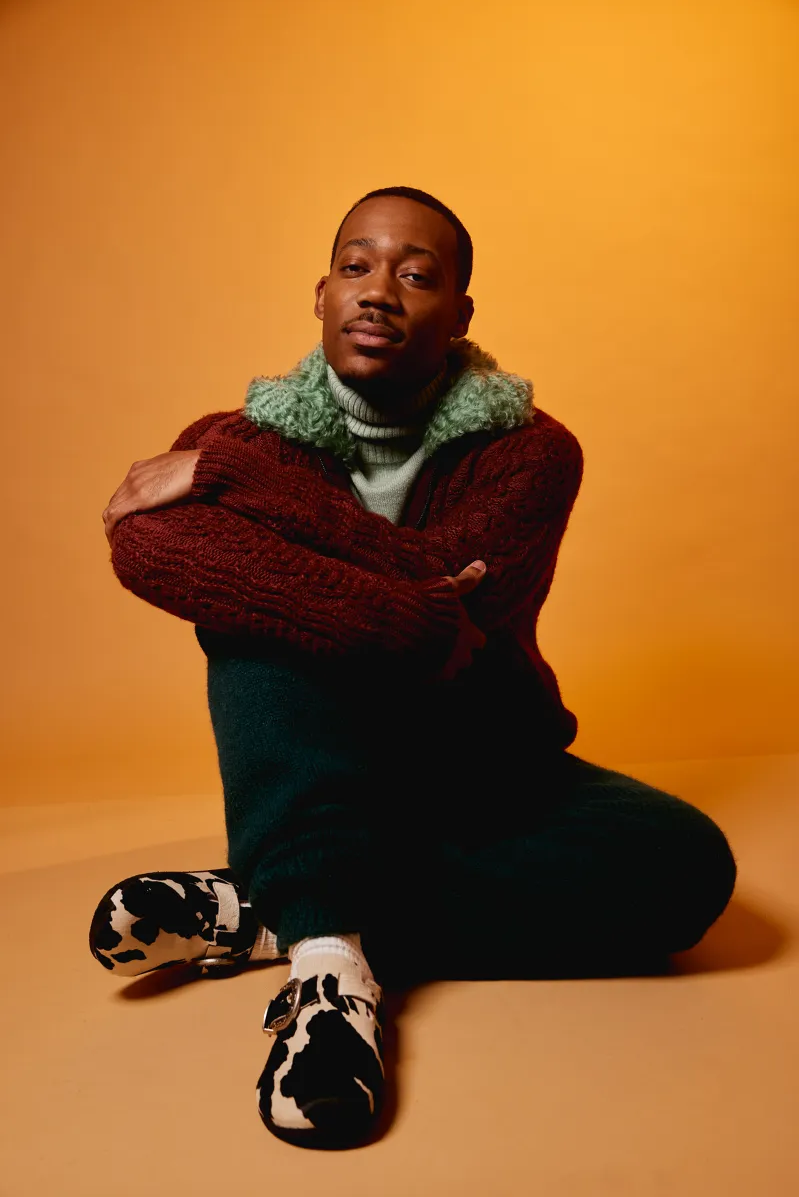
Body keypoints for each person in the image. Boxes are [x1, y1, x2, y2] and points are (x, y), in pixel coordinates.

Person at [93, 186, 738, 1149]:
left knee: (686, 867)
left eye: (415, 274)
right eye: (355, 266)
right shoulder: (237, 436)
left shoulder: (530, 451)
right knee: (257, 622)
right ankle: (327, 972)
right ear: (320, 295)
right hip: (315, 761)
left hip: (480, 763)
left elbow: (465, 586)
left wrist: (253, 498)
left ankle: (276, 906)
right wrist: (415, 618)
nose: (378, 290)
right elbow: (148, 546)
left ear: (460, 312)